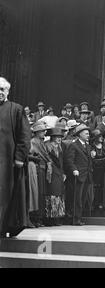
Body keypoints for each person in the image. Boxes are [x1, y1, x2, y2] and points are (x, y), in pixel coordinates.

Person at [0, 77, 31, 238]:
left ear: (7, 91)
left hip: (8, 163)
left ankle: (5, 227)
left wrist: (19, 157)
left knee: (6, 195)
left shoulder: (16, 109)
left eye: (2, 89)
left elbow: (25, 136)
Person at [64, 123, 94, 225]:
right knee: (77, 198)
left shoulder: (88, 146)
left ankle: (79, 218)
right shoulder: (74, 145)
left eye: (88, 133)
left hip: (87, 175)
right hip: (78, 176)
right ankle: (75, 219)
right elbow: (69, 160)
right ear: (80, 134)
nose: (88, 135)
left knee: (82, 198)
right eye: (86, 133)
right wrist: (74, 169)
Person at [28, 121, 51, 228]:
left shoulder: (40, 142)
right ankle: (35, 218)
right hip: (37, 169)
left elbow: (45, 155)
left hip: (42, 168)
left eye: (44, 131)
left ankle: (39, 218)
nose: (44, 132)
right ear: (36, 132)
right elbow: (33, 154)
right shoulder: (34, 141)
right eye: (41, 131)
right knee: (36, 194)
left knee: (41, 194)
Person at [44, 128, 67, 226]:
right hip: (51, 172)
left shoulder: (60, 147)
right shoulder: (47, 146)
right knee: (52, 194)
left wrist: (63, 173)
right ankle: (50, 218)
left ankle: (57, 217)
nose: (59, 139)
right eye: (57, 137)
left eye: (60, 137)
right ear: (52, 137)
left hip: (58, 173)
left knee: (58, 194)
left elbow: (61, 162)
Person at [90, 129, 105, 211]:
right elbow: (93, 161)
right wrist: (102, 160)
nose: (101, 138)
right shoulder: (92, 147)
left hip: (104, 170)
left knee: (104, 186)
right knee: (96, 187)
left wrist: (101, 161)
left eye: (102, 136)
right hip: (96, 171)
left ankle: (103, 203)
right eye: (99, 136)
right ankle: (96, 203)